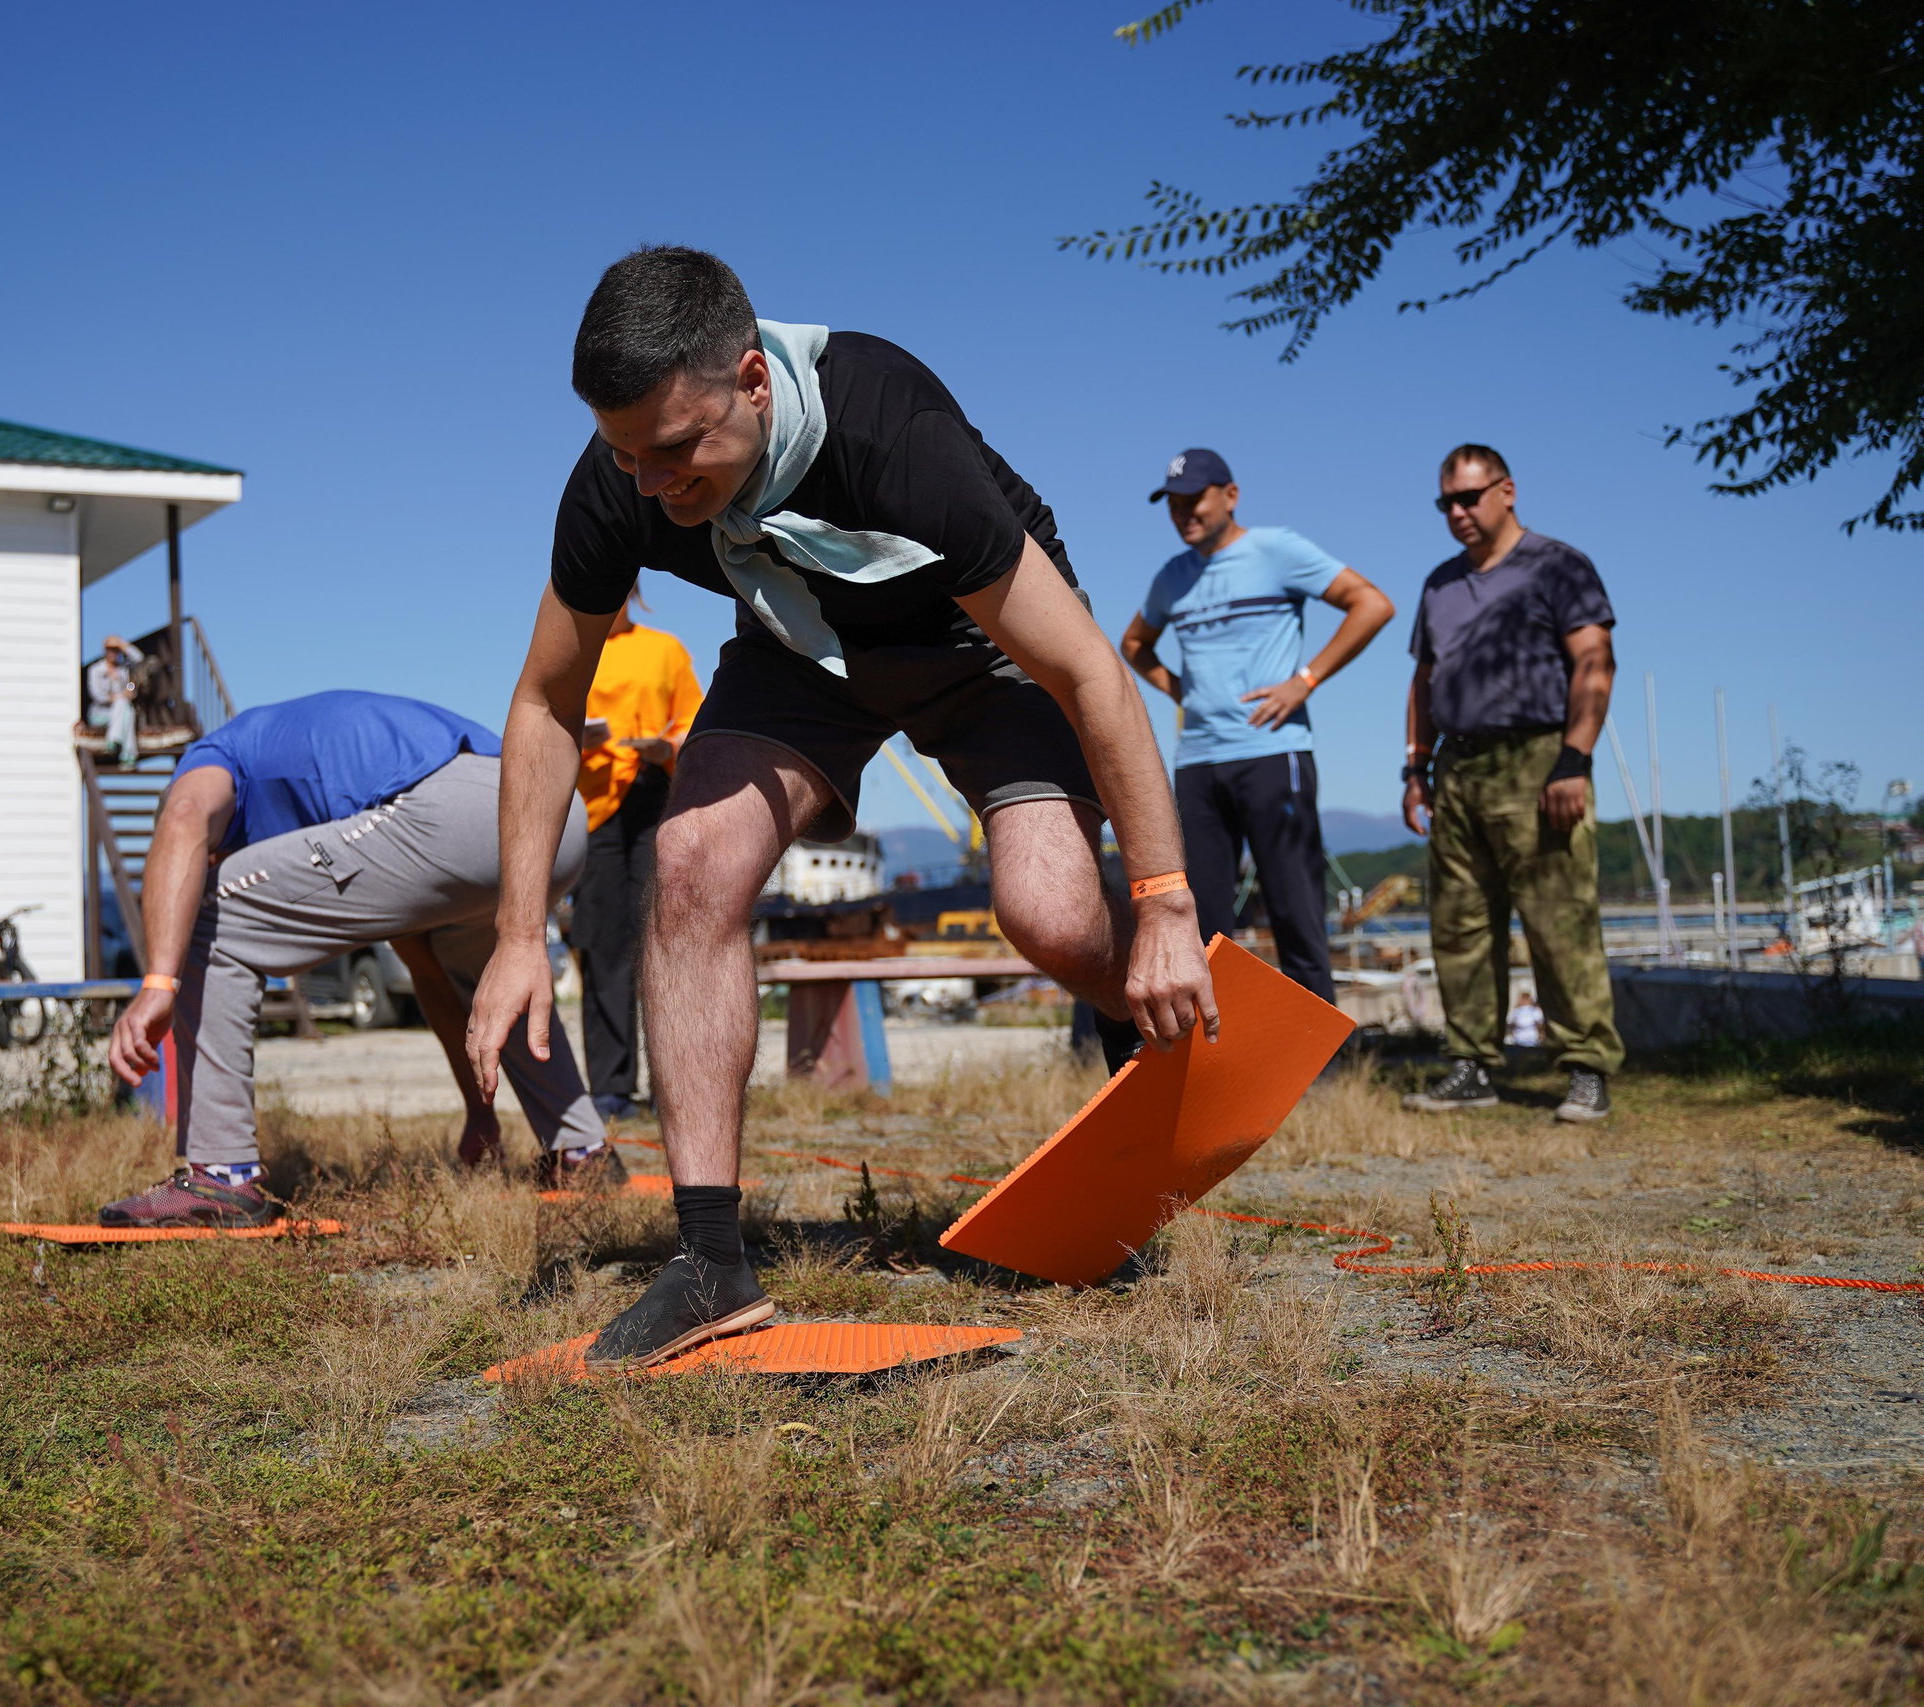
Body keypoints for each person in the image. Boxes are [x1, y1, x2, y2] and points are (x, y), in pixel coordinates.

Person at [466, 246, 1219, 1370]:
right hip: (799, 651)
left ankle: (1161, 1030)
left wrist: (1162, 907)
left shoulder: (890, 430)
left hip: (981, 646)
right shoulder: (620, 479)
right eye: (628, 456)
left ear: (754, 382)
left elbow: (1091, 676)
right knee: (689, 861)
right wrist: (518, 934)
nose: (653, 484)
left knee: (1052, 918)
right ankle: (711, 1262)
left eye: (678, 450)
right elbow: (543, 700)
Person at [101, 690, 615, 1227]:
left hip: (457, 812)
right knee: (465, 960)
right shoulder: (336, 771)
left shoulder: (217, 756)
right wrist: (480, 1112)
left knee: (210, 913)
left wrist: (160, 983)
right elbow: (430, 977)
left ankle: (221, 1176)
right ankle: (581, 1150)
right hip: (552, 810)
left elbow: (183, 817)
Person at [1121, 448, 1395, 1008]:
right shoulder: (1171, 577)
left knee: (1296, 913)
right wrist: (1181, 690)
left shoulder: (1277, 550)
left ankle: (1323, 1065)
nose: (1184, 513)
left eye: (1194, 499)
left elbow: (1371, 604)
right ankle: (1212, 1065)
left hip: (1275, 754)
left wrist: (1305, 680)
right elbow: (1133, 645)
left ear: (1230, 495)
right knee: (1200, 922)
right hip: (1197, 763)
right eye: (1173, 504)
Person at [1398, 445, 1622, 1123]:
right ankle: (1471, 1065)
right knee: (1460, 924)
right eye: (1447, 503)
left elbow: (1594, 660)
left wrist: (1573, 760)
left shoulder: (1559, 565)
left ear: (1508, 491)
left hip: (1538, 760)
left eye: (1469, 498)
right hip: (1457, 769)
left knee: (1559, 921)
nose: (1458, 512)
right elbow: (1424, 680)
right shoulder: (1439, 583)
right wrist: (1416, 766)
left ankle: (1586, 1067)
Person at [569, 592, 703, 1119]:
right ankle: (610, 1088)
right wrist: (576, 734)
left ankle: (676, 1083)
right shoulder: (573, 650)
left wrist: (667, 747)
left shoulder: (666, 650)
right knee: (602, 944)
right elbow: (545, 712)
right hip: (594, 805)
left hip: (654, 798)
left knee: (661, 938)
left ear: (636, 594)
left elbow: (692, 719)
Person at [83, 635, 143, 766]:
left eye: (116, 650)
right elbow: (97, 696)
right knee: (123, 705)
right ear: (105, 651)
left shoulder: (123, 669)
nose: (112, 653)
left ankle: (115, 743)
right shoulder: (96, 670)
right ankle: (128, 754)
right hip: (100, 714)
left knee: (128, 711)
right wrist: (120, 696)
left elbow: (139, 658)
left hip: (121, 714)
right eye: (110, 650)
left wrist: (123, 644)